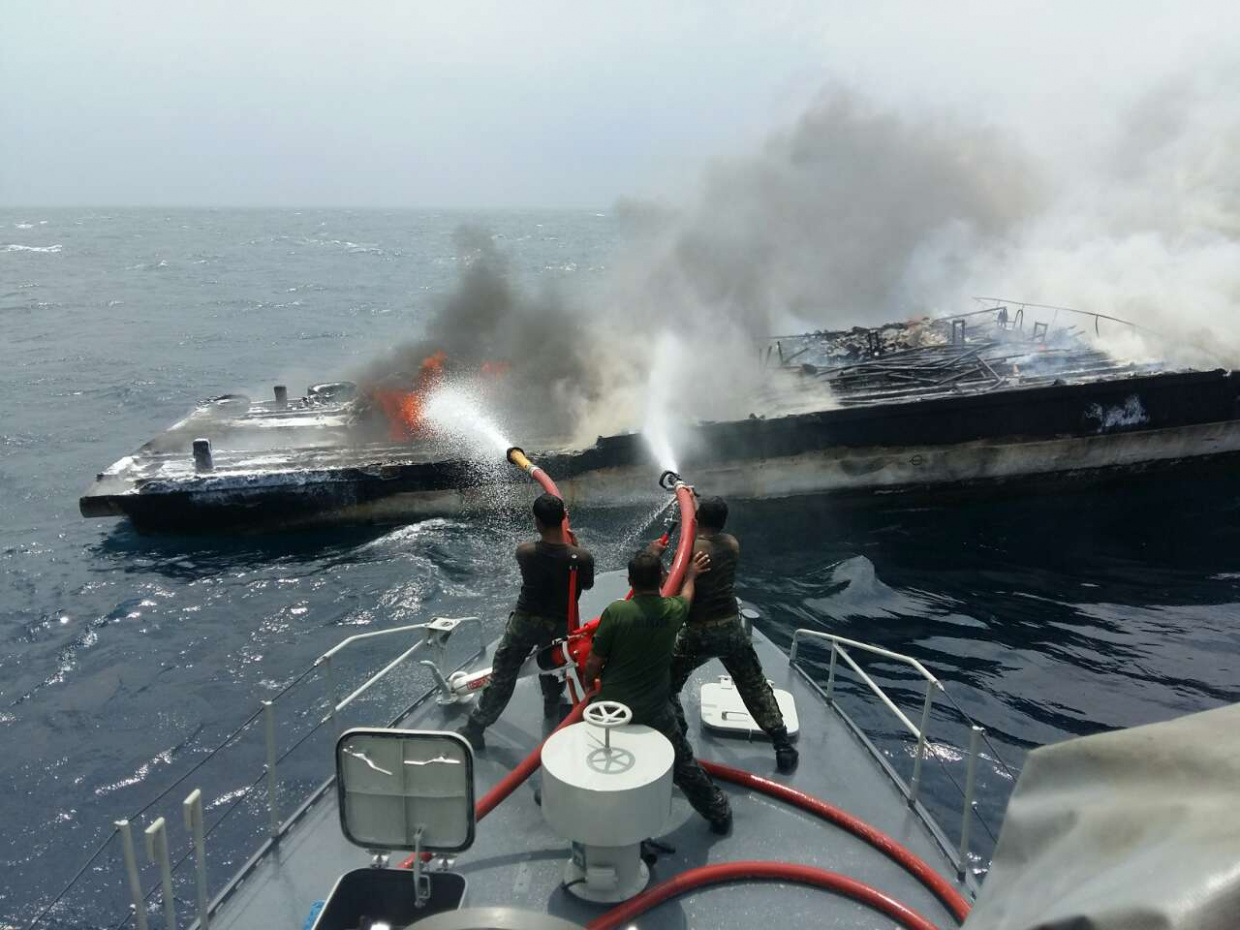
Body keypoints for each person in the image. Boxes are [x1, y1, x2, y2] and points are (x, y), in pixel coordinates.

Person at [582, 548, 733, 834]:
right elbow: (686, 596)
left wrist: (590, 685)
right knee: (683, 763)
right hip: (654, 709)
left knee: (587, 749)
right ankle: (718, 811)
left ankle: (562, 792)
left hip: (612, 706)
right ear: (661, 579)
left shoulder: (616, 612)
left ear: (630, 581)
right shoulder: (672, 611)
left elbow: (593, 662)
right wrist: (691, 575)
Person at [668, 496, 799, 773]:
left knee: (667, 684)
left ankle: (678, 740)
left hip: (697, 632)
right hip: (730, 627)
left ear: (697, 519)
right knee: (753, 684)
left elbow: (674, 581)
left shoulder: (691, 550)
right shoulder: (731, 544)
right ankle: (782, 745)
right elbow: (706, 535)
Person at [457, 493, 594, 750]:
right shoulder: (582, 558)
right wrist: (576, 547)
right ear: (563, 519)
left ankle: (475, 728)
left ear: (538, 522)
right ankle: (552, 706)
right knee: (552, 665)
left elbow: (546, 559)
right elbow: (585, 585)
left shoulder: (525, 553)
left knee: (503, 675)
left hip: (524, 622)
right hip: (559, 625)